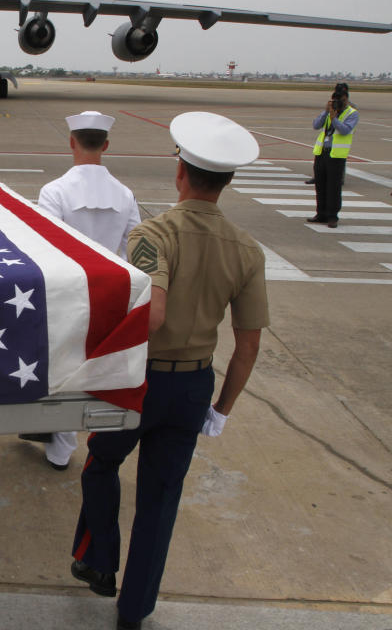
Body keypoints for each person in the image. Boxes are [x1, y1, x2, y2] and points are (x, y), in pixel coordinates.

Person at [69, 112, 270, 630]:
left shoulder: (153, 234)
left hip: (141, 381)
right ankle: (133, 611)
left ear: (180, 172)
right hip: (195, 385)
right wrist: (220, 410)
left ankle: (99, 561)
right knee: (161, 498)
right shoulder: (247, 250)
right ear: (226, 181)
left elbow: (152, 314)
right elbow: (248, 343)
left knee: (100, 464)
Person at [22, 110, 141, 471]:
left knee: (62, 374)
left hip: (68, 296)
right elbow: (133, 247)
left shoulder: (54, 191)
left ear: (72, 142)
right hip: (111, 297)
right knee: (102, 374)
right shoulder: (125, 194)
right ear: (105, 145)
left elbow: (45, 250)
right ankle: (90, 440)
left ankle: (60, 447)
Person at [308, 83, 358, 228]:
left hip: (336, 155)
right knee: (320, 185)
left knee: (333, 187)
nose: (337, 102)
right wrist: (326, 112)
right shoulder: (329, 111)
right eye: (334, 99)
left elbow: (345, 130)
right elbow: (316, 125)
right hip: (322, 152)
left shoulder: (352, 113)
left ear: (346, 100)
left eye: (340, 100)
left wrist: (334, 118)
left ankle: (332, 216)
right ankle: (321, 213)